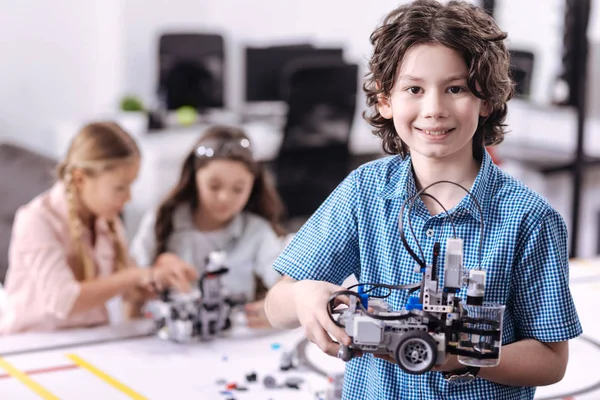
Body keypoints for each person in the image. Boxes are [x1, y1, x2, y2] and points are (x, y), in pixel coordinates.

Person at [264, 1, 582, 399]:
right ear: (385, 100)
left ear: (486, 99)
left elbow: (552, 359)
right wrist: (303, 295)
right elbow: (275, 304)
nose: (434, 109)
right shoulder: (364, 192)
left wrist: (462, 356)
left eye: (456, 88)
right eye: (414, 89)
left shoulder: (529, 219)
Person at [0, 122, 198, 334]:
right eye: (120, 188)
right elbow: (64, 301)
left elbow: (130, 292)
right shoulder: (36, 219)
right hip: (33, 345)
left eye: (131, 185)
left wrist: (159, 276)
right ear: (80, 179)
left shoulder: (107, 220)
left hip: (90, 340)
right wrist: (135, 275)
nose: (128, 197)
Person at [130, 125, 287, 328]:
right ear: (195, 177)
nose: (224, 198)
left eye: (238, 189)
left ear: (252, 186)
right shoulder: (162, 220)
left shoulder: (257, 232)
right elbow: (129, 290)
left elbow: (283, 280)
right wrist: (152, 275)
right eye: (214, 186)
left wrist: (275, 310)